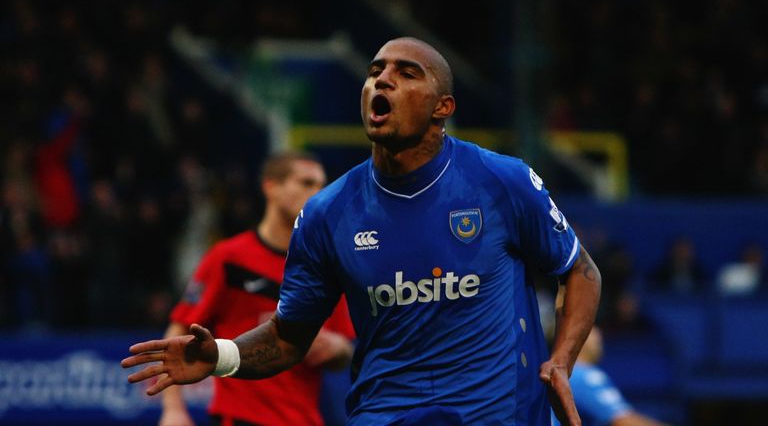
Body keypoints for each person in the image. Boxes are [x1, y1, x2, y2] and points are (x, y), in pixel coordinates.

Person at [122, 37, 601, 426]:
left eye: (406, 73)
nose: (382, 80)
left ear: (442, 107)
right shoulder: (328, 213)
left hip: (497, 415)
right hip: (385, 415)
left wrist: (561, 360)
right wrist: (222, 356)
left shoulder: (502, 180)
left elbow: (580, 271)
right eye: (375, 71)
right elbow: (290, 338)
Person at [159, 152, 356, 426]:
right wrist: (173, 410)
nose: (317, 193)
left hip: (304, 419)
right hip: (241, 417)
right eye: (306, 183)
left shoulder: (326, 267)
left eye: (321, 185)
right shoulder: (229, 258)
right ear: (271, 187)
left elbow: (345, 349)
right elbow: (178, 331)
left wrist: (338, 348)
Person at [552, 327, 667, 426]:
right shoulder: (583, 375)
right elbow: (623, 421)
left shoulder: (557, 373)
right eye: (591, 327)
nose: (599, 335)